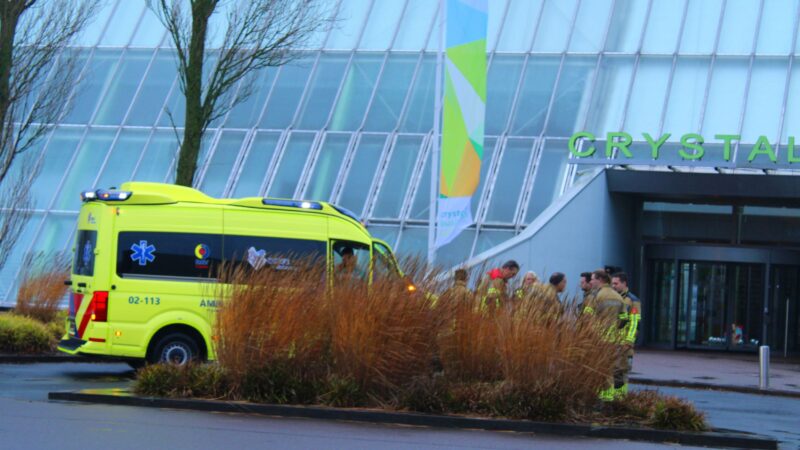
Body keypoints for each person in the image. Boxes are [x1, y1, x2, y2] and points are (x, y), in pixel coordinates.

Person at [583, 269, 632, 401]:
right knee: (611, 368)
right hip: (613, 339)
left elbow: (587, 317)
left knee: (599, 368)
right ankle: (613, 397)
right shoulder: (618, 297)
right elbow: (624, 319)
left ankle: (603, 397)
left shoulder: (595, 295)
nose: (591, 281)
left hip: (598, 338)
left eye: (592, 279)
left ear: (600, 280)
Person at [611, 272, 641, 396]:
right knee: (613, 374)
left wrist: (629, 342)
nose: (613, 286)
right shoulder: (614, 298)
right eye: (612, 283)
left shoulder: (632, 301)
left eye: (616, 283)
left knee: (622, 374)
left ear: (624, 283)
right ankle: (614, 398)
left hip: (624, 345)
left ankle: (620, 400)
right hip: (613, 342)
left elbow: (635, 323)